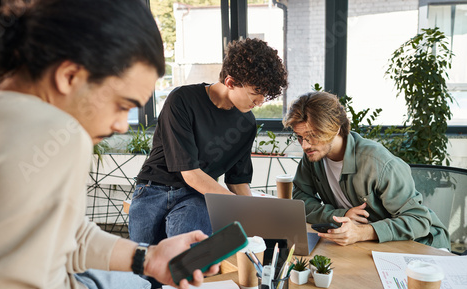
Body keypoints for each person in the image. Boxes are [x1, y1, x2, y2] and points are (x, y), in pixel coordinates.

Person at [0, 1, 218, 289]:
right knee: (140, 287)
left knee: (134, 276)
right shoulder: (59, 134)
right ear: (69, 76)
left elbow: (65, 235)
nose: (121, 125)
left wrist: (150, 257)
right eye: (121, 105)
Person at [129, 38, 288, 245]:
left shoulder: (247, 124)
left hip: (196, 196)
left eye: (264, 95)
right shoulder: (182, 100)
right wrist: (237, 206)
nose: (260, 102)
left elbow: (237, 181)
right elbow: (191, 174)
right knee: (145, 267)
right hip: (154, 189)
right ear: (230, 82)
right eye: (255, 93)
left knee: (185, 258)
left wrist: (253, 215)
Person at [283, 91, 450, 249]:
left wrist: (362, 232)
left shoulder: (377, 162)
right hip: (372, 247)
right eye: (300, 137)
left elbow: (418, 220)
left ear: (335, 128)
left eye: (312, 135)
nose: (305, 145)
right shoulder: (314, 155)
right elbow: (300, 199)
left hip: (421, 247)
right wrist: (341, 214)